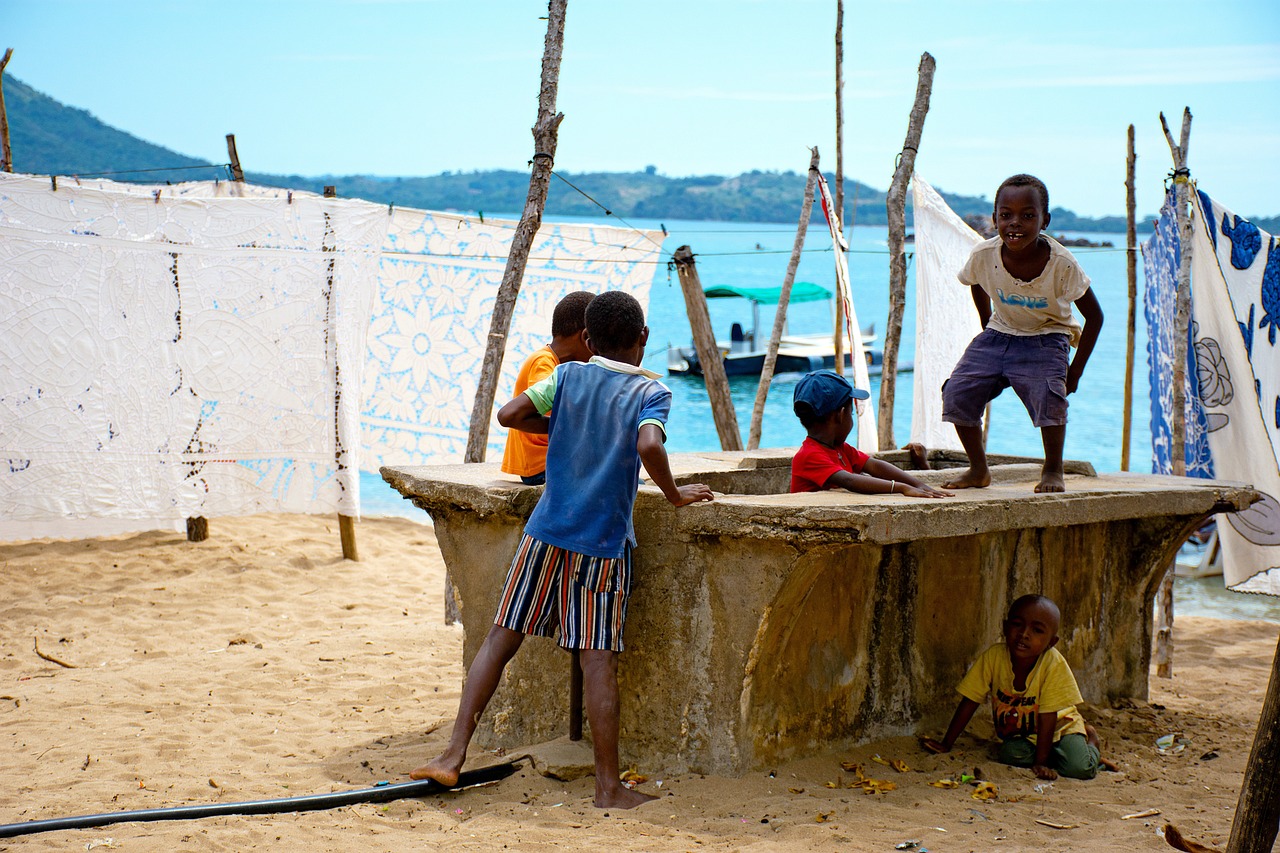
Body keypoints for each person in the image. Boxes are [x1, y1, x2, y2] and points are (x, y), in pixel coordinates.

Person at [410, 290, 715, 809]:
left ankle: (452, 755)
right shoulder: (652, 391)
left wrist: (562, 423)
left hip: (545, 531)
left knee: (500, 639)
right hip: (602, 545)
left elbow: (509, 414)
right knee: (598, 662)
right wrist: (674, 494)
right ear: (643, 337)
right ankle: (607, 787)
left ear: (589, 339)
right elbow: (648, 444)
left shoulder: (568, 375)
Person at [940, 174, 1104, 493]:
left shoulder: (1062, 264)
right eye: (1006, 215)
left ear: (1045, 221)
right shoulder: (984, 254)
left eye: (1028, 215)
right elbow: (975, 281)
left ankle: (1053, 469)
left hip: (1048, 335)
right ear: (995, 219)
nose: (1015, 223)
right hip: (1000, 332)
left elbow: (1094, 317)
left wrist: (1076, 371)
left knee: (1049, 397)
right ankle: (978, 469)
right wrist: (986, 321)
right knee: (957, 393)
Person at [920, 594, 1108, 781]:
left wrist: (1040, 764)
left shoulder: (1053, 663)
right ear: (1005, 627)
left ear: (1051, 642)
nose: (1024, 634)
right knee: (1009, 755)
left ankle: (1091, 742)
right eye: (1017, 624)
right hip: (1026, 736)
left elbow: (1048, 717)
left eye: (1037, 630)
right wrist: (947, 743)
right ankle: (1061, 756)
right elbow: (970, 700)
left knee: (1080, 769)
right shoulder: (993, 657)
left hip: (1062, 727)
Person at [790, 369, 951, 498]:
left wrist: (918, 484)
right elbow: (849, 480)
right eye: (851, 413)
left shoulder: (840, 448)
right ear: (841, 415)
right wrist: (901, 488)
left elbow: (874, 465)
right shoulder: (809, 456)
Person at [501, 290, 595, 486]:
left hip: (553, 462)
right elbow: (554, 407)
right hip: (541, 465)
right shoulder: (543, 362)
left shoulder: (562, 365)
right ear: (586, 337)